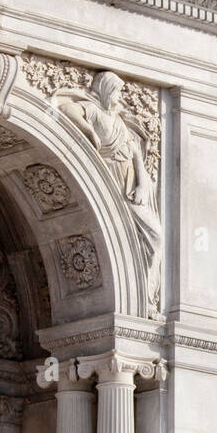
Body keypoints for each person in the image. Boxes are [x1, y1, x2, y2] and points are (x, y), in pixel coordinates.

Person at [54, 71, 163, 314]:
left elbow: (135, 152)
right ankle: (142, 296)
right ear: (104, 90)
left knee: (155, 236)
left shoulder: (119, 120)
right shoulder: (93, 110)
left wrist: (142, 181)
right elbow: (68, 110)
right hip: (111, 175)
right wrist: (89, 131)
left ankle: (148, 294)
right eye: (115, 90)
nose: (119, 96)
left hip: (131, 185)